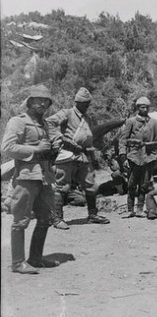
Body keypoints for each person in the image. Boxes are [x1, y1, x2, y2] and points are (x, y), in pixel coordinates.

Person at [1, 85, 59, 274]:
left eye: (46, 101)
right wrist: (35, 149)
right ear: (29, 102)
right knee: (20, 220)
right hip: (26, 177)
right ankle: (17, 263)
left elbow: (46, 146)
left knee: (45, 218)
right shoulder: (18, 122)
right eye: (38, 100)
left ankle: (36, 258)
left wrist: (52, 149)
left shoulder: (45, 124)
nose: (43, 103)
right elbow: (8, 148)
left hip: (44, 176)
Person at [47, 87, 110, 228]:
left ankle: (92, 214)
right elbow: (49, 123)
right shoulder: (67, 113)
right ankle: (57, 219)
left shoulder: (87, 118)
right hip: (67, 154)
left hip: (83, 156)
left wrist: (92, 156)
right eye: (85, 104)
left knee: (90, 184)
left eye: (88, 103)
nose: (87, 106)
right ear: (77, 102)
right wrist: (62, 138)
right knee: (63, 186)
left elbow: (89, 138)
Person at [119, 96, 157, 218]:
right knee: (131, 184)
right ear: (138, 108)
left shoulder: (153, 123)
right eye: (142, 107)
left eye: (146, 107)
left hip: (149, 157)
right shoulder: (131, 122)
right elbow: (123, 140)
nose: (144, 109)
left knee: (144, 185)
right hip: (134, 157)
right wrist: (123, 157)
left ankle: (139, 209)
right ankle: (130, 209)